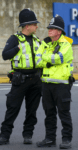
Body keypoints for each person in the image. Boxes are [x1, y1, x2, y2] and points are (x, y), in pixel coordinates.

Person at [0, 8, 42, 145]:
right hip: (20, 79)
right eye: (35, 24)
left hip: (36, 80)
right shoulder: (14, 39)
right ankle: (4, 135)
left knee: (32, 110)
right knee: (12, 108)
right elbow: (5, 55)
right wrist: (17, 48)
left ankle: (28, 135)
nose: (37, 26)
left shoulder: (37, 40)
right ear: (27, 26)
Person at [35, 15, 74, 149]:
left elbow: (59, 58)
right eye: (49, 28)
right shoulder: (44, 43)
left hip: (61, 85)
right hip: (46, 84)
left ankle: (66, 139)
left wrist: (45, 57)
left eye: (52, 28)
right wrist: (49, 59)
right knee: (49, 114)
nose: (49, 30)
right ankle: (50, 139)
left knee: (64, 113)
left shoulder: (66, 45)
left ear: (59, 31)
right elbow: (37, 61)